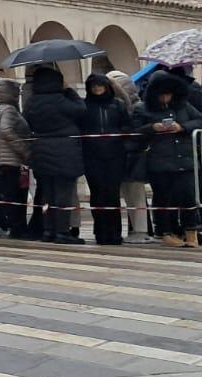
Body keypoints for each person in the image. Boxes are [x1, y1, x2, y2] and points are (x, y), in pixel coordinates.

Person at [134, 71, 202, 248]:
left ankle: (191, 232)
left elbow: (199, 120)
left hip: (185, 159)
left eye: (168, 94)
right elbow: (135, 131)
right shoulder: (143, 108)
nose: (165, 98)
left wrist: (183, 127)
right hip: (159, 161)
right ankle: (165, 232)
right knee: (163, 198)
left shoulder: (183, 106)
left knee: (188, 196)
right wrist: (152, 127)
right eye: (161, 94)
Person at [24, 66, 87, 245]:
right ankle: (62, 232)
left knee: (47, 195)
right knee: (63, 196)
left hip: (41, 152)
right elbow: (81, 110)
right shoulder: (61, 100)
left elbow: (26, 119)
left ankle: (48, 230)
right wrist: (69, 91)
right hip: (64, 152)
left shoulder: (31, 102)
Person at [81, 74, 133, 245]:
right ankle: (100, 232)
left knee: (112, 194)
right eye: (93, 86)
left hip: (115, 155)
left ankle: (115, 232)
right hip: (92, 156)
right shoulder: (85, 106)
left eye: (100, 85)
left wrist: (119, 136)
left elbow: (127, 125)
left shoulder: (117, 105)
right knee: (97, 194)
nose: (97, 88)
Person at [107, 70, 154, 243]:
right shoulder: (128, 106)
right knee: (131, 194)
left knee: (135, 194)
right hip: (128, 155)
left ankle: (141, 231)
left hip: (133, 155)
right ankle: (138, 229)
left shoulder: (134, 108)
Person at [0, 79, 31, 237]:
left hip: (5, 159)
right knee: (16, 194)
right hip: (12, 159)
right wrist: (24, 150)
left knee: (12, 194)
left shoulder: (1, 108)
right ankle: (18, 228)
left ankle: (18, 227)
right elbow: (6, 131)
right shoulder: (8, 109)